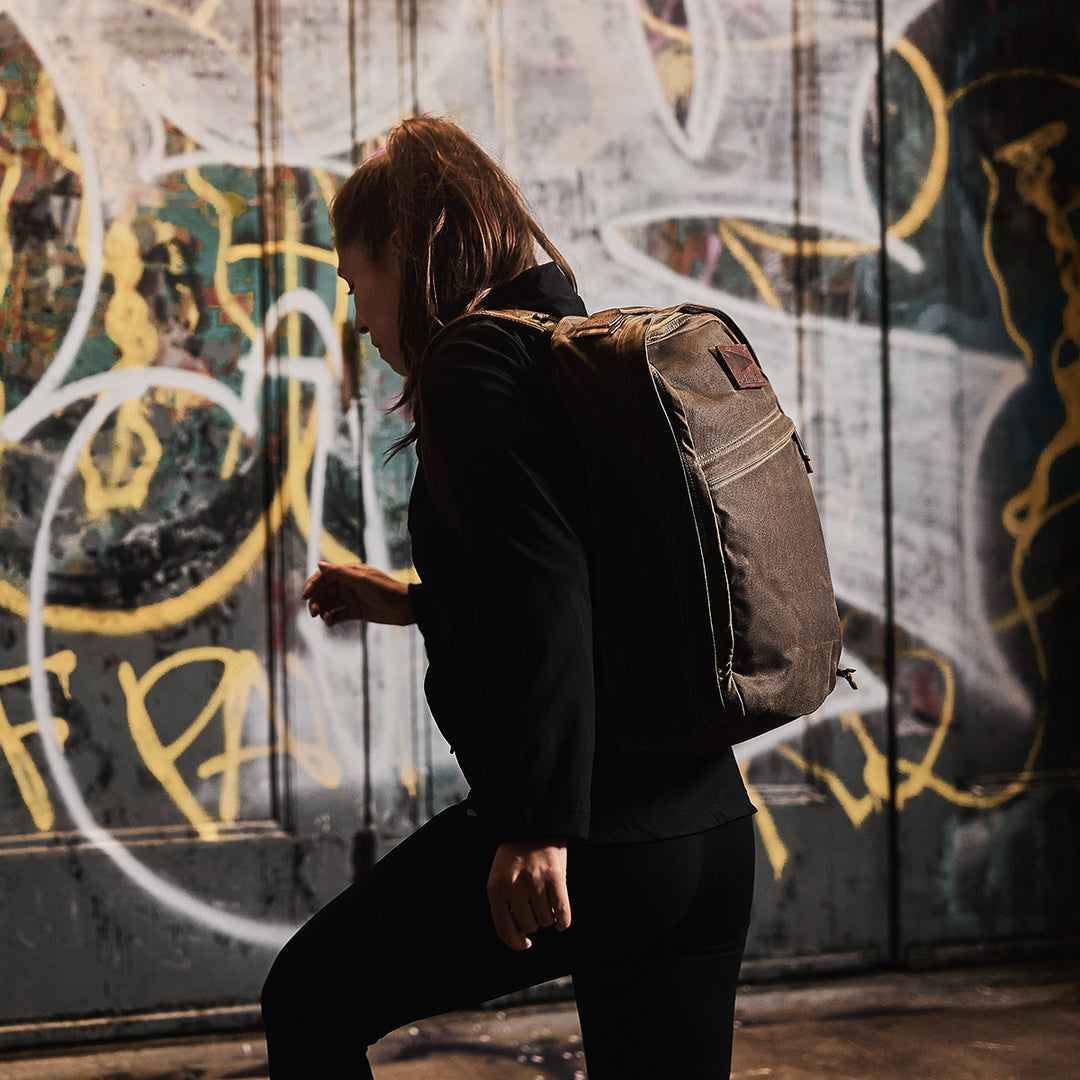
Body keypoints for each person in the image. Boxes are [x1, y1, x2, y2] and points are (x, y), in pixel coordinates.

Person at [260, 115, 757, 1080]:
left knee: (310, 995)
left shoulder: (472, 365)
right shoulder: (563, 342)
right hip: (704, 837)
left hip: (591, 844)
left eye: (357, 280)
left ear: (412, 256)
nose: (359, 317)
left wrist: (536, 825)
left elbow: (544, 592)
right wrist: (414, 599)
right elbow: (583, 572)